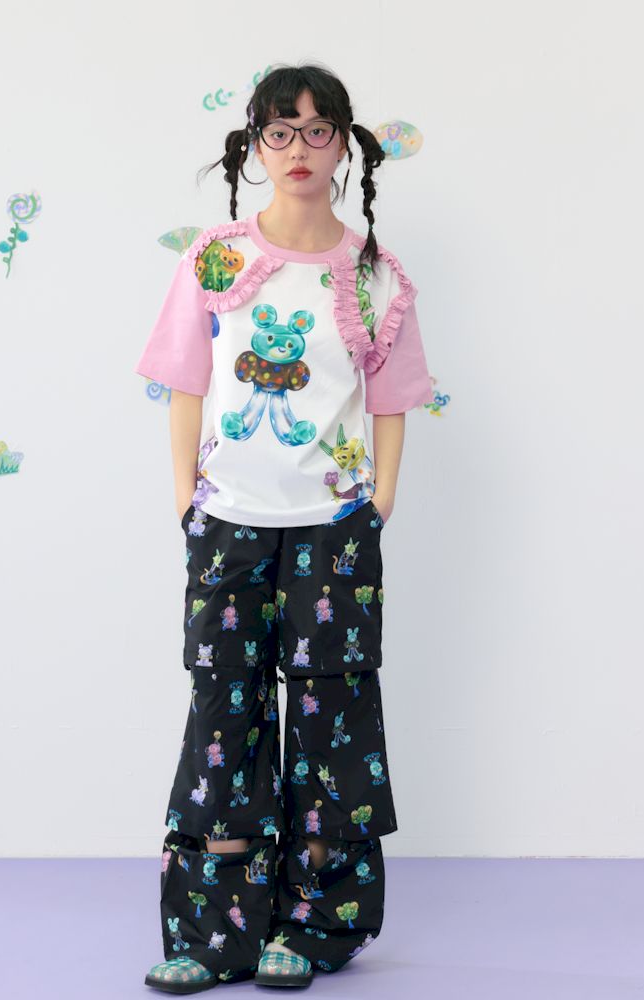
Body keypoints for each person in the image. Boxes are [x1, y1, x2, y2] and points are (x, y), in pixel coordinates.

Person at [137, 63, 434, 994]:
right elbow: (183, 381)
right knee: (223, 713)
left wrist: (381, 498)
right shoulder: (217, 258)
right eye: (280, 130)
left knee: (331, 718)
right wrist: (185, 495)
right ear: (254, 145)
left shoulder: (374, 274)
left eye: (316, 130)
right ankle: (213, 932)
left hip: (334, 530)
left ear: (344, 144)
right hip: (226, 522)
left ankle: (315, 927)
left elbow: (392, 399)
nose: (298, 148)